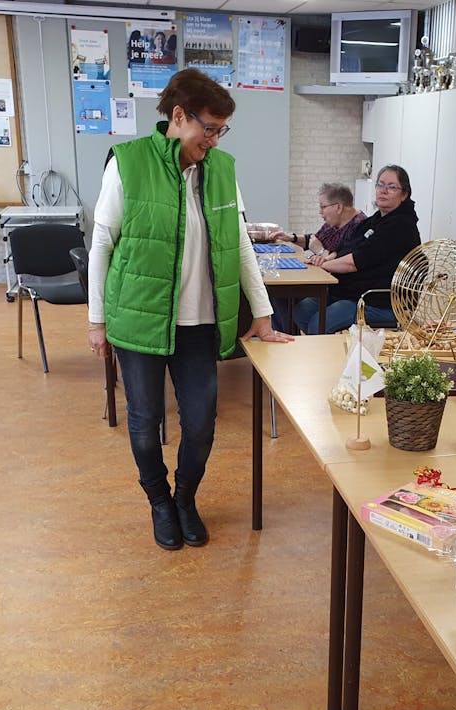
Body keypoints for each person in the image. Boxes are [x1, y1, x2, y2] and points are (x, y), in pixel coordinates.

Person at [87, 68, 293, 552]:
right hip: (139, 317)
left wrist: (262, 315)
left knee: (200, 423)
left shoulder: (221, 170)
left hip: (200, 322)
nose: (214, 140)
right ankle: (159, 501)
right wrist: (97, 320)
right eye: (209, 128)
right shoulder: (129, 163)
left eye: (221, 130)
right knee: (145, 422)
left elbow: (240, 244)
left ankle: (184, 498)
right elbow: (102, 243)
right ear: (178, 116)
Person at [291, 165, 421, 334]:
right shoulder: (375, 220)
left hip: (379, 301)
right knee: (302, 310)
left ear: (404, 194)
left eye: (391, 187)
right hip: (351, 293)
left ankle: (326, 347)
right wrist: (325, 259)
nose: (383, 191)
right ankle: (327, 346)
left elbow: (355, 262)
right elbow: (346, 248)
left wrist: (322, 265)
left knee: (319, 323)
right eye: (380, 185)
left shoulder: (401, 226)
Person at [273, 183, 366, 258]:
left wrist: (320, 251)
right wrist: (291, 238)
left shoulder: (360, 227)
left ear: (338, 207)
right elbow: (314, 241)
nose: (320, 212)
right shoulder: (334, 222)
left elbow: (344, 262)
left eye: (323, 207)